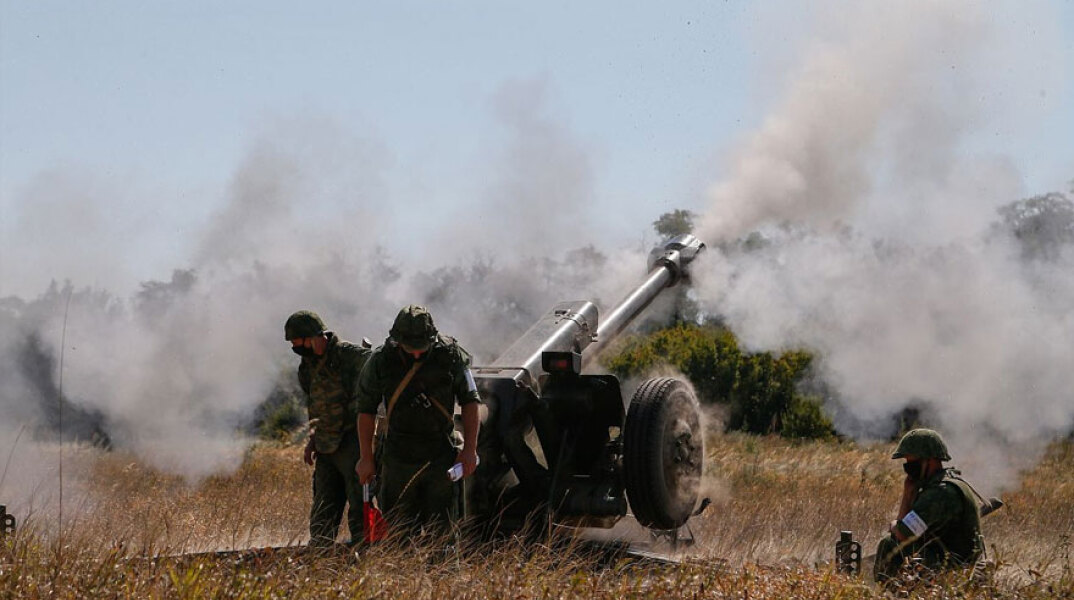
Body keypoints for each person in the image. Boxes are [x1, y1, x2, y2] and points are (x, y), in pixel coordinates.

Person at [354, 305, 480, 536]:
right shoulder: (380, 361)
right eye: (409, 348)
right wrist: (366, 458)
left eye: (421, 348)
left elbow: (470, 402)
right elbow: (365, 410)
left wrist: (469, 450)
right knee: (398, 534)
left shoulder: (451, 355)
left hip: (440, 455)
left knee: (443, 535)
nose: (416, 355)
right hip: (398, 457)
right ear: (397, 340)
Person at [285, 310, 370, 547]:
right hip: (325, 446)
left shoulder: (349, 356)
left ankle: (366, 555)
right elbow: (315, 406)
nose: (295, 348)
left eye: (297, 342)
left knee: (359, 506)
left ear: (313, 337)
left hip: (353, 442)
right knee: (323, 508)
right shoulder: (307, 367)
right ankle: (321, 557)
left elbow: (377, 378)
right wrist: (312, 440)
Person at [873, 428, 986, 584]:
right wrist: (908, 493)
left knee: (889, 544)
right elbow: (907, 530)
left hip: (956, 569)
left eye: (912, 462)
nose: (908, 468)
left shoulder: (940, 493)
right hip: (956, 562)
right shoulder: (945, 483)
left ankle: (890, 592)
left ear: (930, 461)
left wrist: (895, 524)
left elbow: (902, 534)